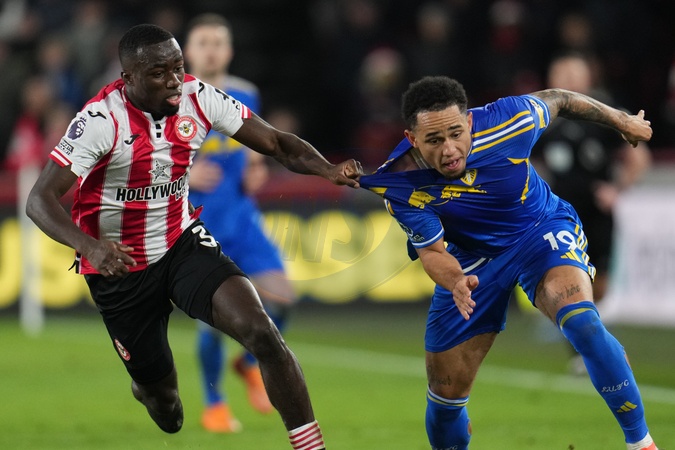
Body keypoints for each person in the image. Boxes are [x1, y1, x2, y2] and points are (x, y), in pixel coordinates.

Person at [26, 23, 361, 450]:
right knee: (167, 409)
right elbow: (39, 200)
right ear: (128, 78)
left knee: (261, 332)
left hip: (180, 244)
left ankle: (311, 446)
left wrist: (328, 169)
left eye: (177, 67)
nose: (173, 80)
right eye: (158, 72)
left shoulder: (198, 97)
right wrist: (90, 247)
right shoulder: (99, 120)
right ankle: (148, 386)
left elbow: (277, 143)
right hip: (119, 267)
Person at [358, 75, 658, 450]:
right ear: (412, 138)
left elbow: (561, 99)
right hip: (471, 260)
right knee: (445, 398)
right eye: (434, 140)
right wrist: (455, 281)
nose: (449, 150)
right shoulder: (400, 183)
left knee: (582, 321)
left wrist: (621, 120)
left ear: (469, 122)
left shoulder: (510, 121)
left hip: (539, 230)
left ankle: (641, 443)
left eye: (456, 133)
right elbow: (433, 252)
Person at [182, 13, 296, 432]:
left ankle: (248, 362)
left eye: (218, 42)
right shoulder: (172, 100)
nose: (211, 50)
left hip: (242, 219)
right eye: (203, 42)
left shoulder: (246, 93)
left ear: (229, 51)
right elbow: (147, 159)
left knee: (283, 299)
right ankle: (214, 404)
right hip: (197, 226)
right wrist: (186, 175)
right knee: (213, 322)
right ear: (188, 51)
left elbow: (252, 146)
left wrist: (255, 167)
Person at [531, 52, 652, 375]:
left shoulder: (607, 113)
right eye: (562, 73)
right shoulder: (543, 118)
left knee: (601, 285)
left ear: (588, 77)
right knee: (569, 278)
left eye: (575, 73)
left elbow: (639, 157)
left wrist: (617, 189)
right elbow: (526, 160)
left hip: (598, 212)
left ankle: (583, 332)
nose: (569, 79)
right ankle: (581, 349)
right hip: (559, 216)